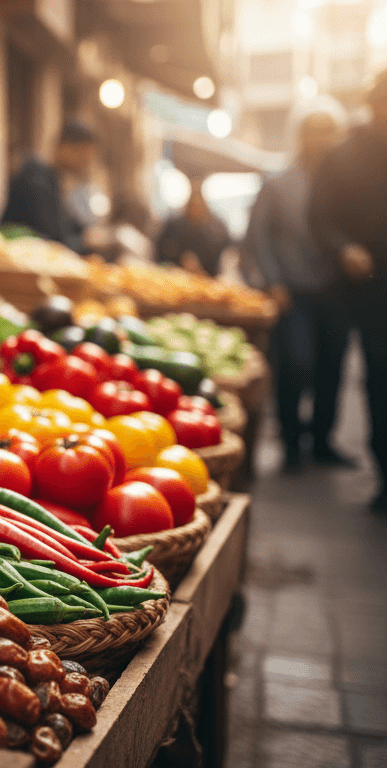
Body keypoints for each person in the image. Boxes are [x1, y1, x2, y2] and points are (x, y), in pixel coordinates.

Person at [247, 100, 353, 472]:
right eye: (313, 131)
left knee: (332, 366)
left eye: (328, 131)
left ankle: (322, 440)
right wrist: (272, 281)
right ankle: (291, 439)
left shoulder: (346, 184)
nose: (320, 139)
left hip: (335, 289)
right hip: (293, 290)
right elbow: (257, 238)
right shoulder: (278, 183)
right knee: (295, 362)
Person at [309, 70, 387, 513]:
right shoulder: (342, 156)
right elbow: (320, 217)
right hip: (361, 283)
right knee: (378, 373)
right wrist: (344, 248)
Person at [1, 122, 97, 254]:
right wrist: (86, 242)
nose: (86, 161)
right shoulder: (36, 181)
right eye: (82, 153)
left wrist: (91, 235)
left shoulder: (51, 180)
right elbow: (54, 239)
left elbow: (70, 225)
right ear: (64, 147)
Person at [155, 181, 230, 276]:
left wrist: (203, 272)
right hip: (171, 278)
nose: (196, 210)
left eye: (199, 206)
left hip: (204, 282)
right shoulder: (173, 227)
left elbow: (219, 268)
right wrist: (172, 267)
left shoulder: (216, 234)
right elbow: (158, 261)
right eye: (193, 206)